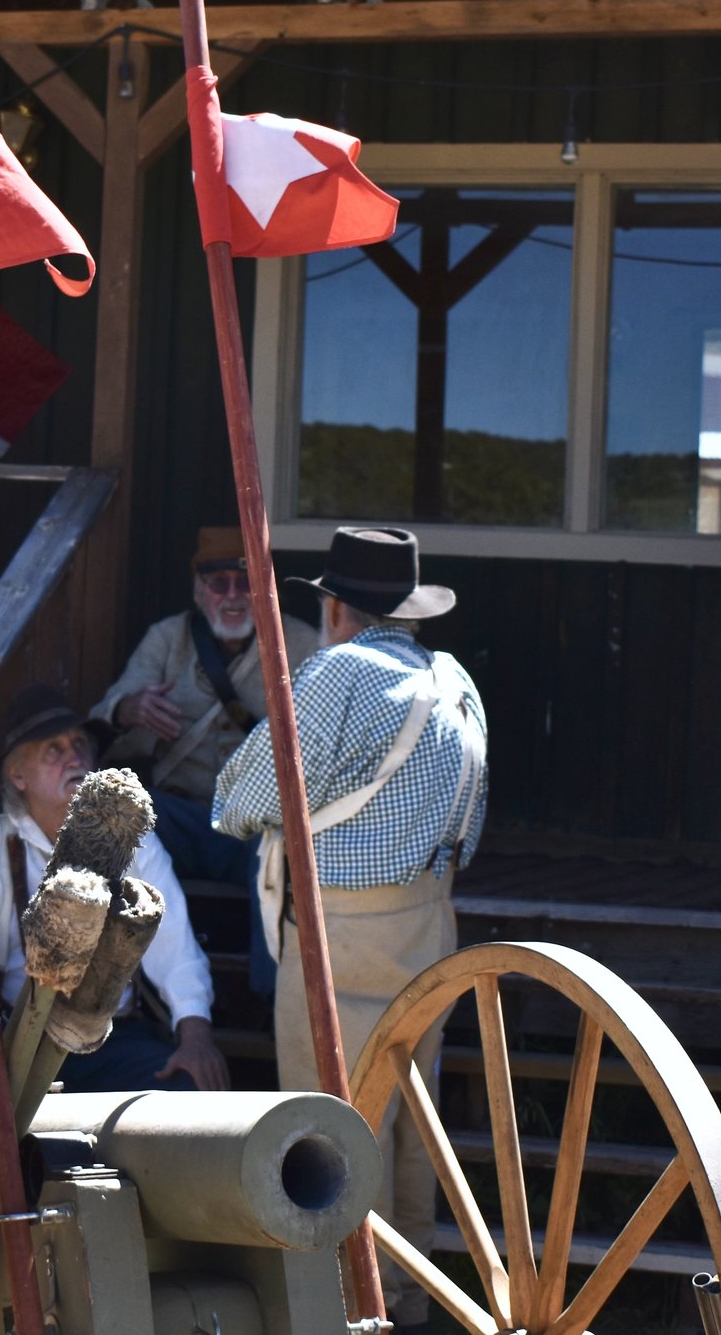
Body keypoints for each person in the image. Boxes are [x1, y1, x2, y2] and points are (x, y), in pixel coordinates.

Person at [212, 527, 487, 1335]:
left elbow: (243, 797)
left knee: (328, 1114)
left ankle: (338, 1303)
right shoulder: (452, 678)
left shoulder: (335, 674)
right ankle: (404, 1296)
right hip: (432, 913)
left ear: (333, 609)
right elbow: (469, 825)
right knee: (409, 1113)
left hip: (345, 923)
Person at [0, 684, 227, 1170]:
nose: (75, 757)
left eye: (80, 746)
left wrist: (195, 1033)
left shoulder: (135, 845)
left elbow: (177, 950)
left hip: (109, 1039)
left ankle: (165, 1243)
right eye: (54, 750)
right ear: (16, 774)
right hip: (14, 1038)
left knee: (188, 1093)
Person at [90, 525, 317, 994]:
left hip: (258, 827)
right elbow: (102, 720)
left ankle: (276, 1002)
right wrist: (129, 709)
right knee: (117, 819)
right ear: (199, 590)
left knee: (281, 856)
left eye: (246, 583)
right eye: (219, 583)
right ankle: (113, 991)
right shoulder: (168, 640)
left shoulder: (302, 644)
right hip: (183, 816)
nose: (233, 596)